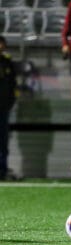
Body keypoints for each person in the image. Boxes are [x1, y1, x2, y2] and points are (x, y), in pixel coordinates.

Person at [0, 36, 17, 181]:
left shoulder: (7, 62)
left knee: (3, 141)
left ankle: (3, 169)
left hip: (3, 108)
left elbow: (13, 84)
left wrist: (11, 100)